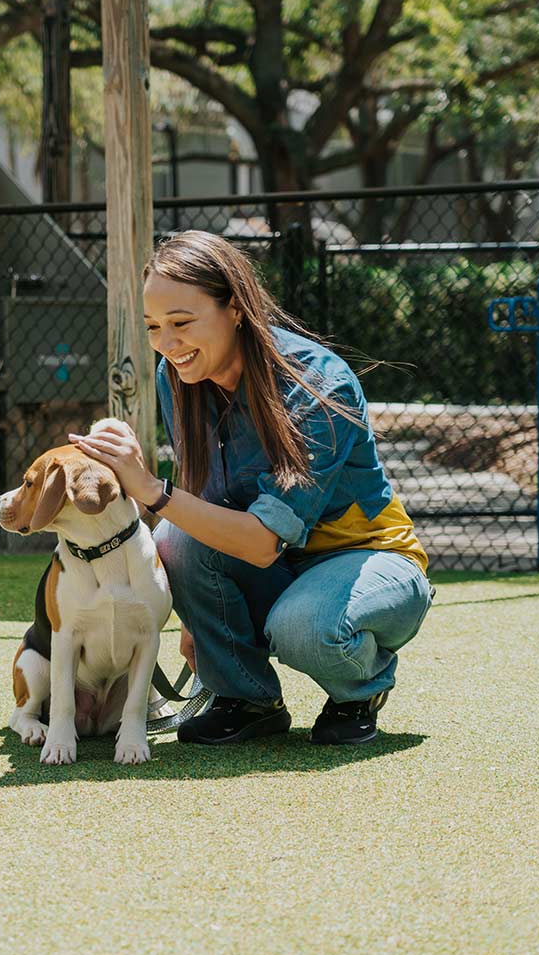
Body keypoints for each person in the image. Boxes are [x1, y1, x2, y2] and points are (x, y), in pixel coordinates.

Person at [68, 230, 432, 746]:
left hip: (368, 559)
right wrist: (199, 621)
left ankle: (360, 689)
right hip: (280, 564)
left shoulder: (316, 385)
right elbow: (199, 504)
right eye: (153, 327)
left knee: (303, 626)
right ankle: (246, 698)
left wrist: (149, 487)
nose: (167, 345)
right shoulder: (179, 378)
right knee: (173, 535)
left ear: (235, 308)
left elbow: (261, 541)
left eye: (181, 323)